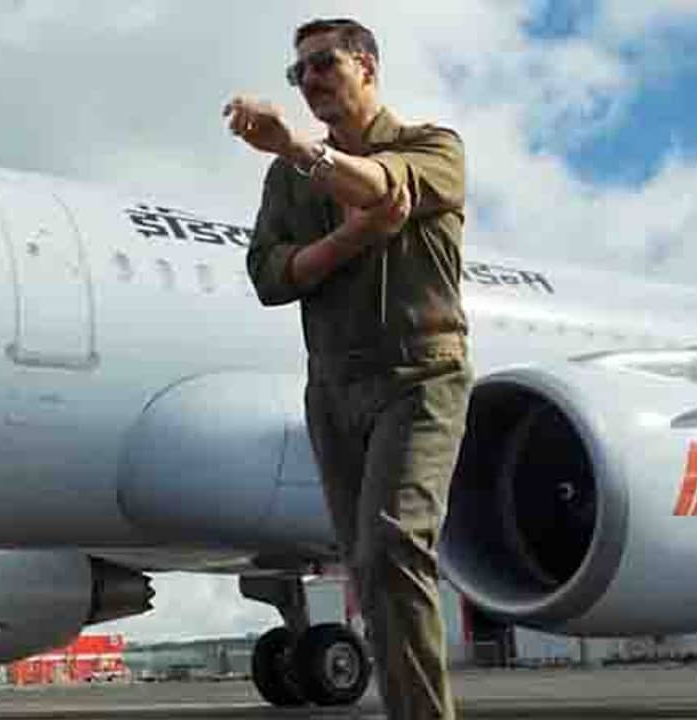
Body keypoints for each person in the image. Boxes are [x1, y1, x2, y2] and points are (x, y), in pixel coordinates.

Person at [223, 17, 471, 720]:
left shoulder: (433, 146)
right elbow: (270, 276)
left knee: (393, 547)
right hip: (332, 388)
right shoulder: (288, 179)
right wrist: (354, 236)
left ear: (367, 64)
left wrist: (296, 148)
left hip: (421, 376)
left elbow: (385, 188)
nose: (309, 79)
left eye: (323, 62)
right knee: (367, 565)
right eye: (298, 71)